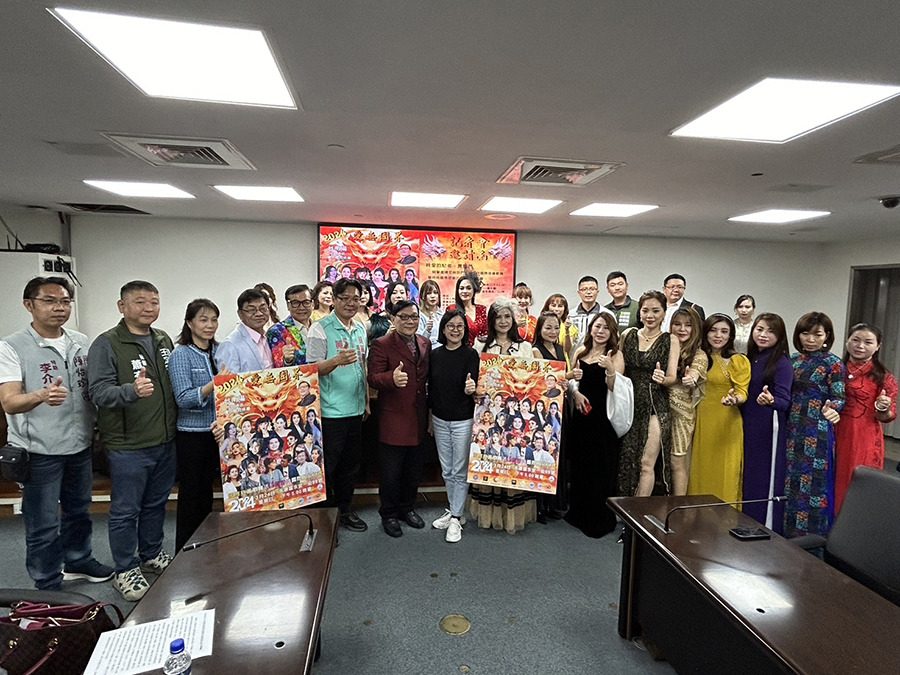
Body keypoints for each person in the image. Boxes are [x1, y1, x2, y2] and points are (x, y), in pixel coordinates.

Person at [0, 277, 113, 591]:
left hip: (79, 444)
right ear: (29, 305)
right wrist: (41, 396)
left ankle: (78, 560)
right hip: (39, 450)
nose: (59, 308)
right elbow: (9, 401)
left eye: (65, 301)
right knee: (43, 522)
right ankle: (47, 581)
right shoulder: (11, 346)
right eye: (49, 301)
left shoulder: (81, 341)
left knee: (79, 511)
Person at [87, 280, 177, 602]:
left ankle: (151, 553)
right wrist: (131, 391)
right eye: (140, 302)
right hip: (128, 445)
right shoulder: (107, 344)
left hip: (165, 439)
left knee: (156, 504)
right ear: (122, 306)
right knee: (126, 510)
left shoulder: (163, 339)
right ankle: (125, 569)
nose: (149, 308)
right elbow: (97, 392)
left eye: (154, 302)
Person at [306, 278, 370, 532]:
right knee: (327, 469)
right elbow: (310, 371)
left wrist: (366, 401)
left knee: (350, 467)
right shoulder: (320, 328)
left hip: (355, 409)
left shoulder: (360, 328)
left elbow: (363, 367)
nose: (351, 303)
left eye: (356, 299)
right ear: (334, 299)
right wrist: (335, 361)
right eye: (345, 298)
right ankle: (321, 520)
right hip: (330, 412)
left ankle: (345, 510)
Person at [168, 298, 231, 552]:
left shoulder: (219, 351)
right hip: (192, 435)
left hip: (218, 433)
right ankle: (184, 551)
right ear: (189, 323)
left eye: (214, 320)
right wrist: (214, 384)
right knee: (191, 496)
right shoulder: (181, 354)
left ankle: (204, 548)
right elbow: (183, 399)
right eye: (203, 320)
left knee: (208, 495)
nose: (210, 325)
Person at [469, 298, 535, 533]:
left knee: (513, 460)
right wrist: (475, 391)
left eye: (508, 316)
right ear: (491, 320)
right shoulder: (481, 346)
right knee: (492, 458)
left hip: (515, 415)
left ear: (514, 319)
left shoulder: (525, 347)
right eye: (499, 317)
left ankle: (512, 516)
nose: (504, 321)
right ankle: (489, 515)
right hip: (489, 413)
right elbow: (474, 377)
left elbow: (533, 381)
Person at [367, 299, 431, 537]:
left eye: (414, 317)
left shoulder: (424, 342)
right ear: (393, 319)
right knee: (391, 473)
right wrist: (391, 379)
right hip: (394, 418)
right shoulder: (381, 344)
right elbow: (373, 378)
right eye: (404, 317)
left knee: (413, 470)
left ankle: (407, 508)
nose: (410, 321)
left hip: (419, 416)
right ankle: (389, 514)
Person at [783, 312, 845, 537]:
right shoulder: (791, 360)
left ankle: (812, 542)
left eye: (817, 334)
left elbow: (839, 396)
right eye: (805, 333)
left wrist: (832, 409)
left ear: (827, 336)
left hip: (816, 431)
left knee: (814, 487)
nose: (810, 339)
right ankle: (786, 535)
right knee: (789, 482)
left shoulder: (833, 363)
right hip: (791, 428)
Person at [565, 312, 624, 538]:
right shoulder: (581, 351)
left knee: (601, 468)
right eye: (597, 326)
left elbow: (617, 389)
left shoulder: (615, 354)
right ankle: (578, 513)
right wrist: (576, 393)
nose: (600, 331)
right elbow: (571, 380)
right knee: (580, 465)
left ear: (612, 332)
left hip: (603, 419)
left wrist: (610, 369)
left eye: (606, 328)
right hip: (582, 416)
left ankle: (598, 518)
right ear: (590, 328)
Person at [618, 291, 680, 498]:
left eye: (655, 311)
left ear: (664, 313)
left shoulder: (670, 340)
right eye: (645, 311)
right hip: (628, 403)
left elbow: (672, 377)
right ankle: (624, 508)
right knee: (627, 459)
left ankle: (637, 515)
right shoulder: (628, 335)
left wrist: (663, 379)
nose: (650, 316)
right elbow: (619, 370)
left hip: (655, 404)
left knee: (646, 463)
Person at [428, 310, 480, 543]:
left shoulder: (471, 354)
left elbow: (476, 387)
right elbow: (431, 389)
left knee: (459, 471)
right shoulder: (435, 354)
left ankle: (457, 517)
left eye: (460, 326)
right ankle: (454, 510)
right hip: (439, 419)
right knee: (447, 470)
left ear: (465, 330)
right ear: (443, 328)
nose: (455, 330)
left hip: (463, 420)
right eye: (451, 326)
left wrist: (472, 388)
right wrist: (430, 418)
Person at [835, 323, 897, 513]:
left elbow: (888, 416)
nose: (860, 346)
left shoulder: (884, 377)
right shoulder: (835, 369)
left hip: (862, 438)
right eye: (856, 340)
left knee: (855, 482)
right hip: (832, 432)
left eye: (868, 342)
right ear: (847, 341)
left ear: (878, 346)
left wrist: (883, 408)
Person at [688, 314, 750, 502]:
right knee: (699, 471)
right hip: (701, 421)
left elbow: (742, 391)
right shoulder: (698, 356)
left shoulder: (737, 360)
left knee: (724, 474)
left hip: (726, 422)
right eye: (713, 330)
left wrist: (734, 399)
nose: (718, 336)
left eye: (724, 331)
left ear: (730, 335)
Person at [740, 313, 792, 533]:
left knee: (763, 479)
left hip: (767, 426)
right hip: (746, 423)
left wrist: (771, 401)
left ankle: (764, 528)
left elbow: (784, 401)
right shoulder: (750, 357)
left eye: (771, 331)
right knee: (747, 477)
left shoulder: (781, 362)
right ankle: (744, 524)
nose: (763, 335)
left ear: (780, 336)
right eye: (760, 329)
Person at [667, 306, 708, 497]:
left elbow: (695, 372)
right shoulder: (665, 347)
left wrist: (691, 378)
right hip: (659, 410)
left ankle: (679, 506)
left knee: (677, 461)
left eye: (688, 325)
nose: (682, 329)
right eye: (677, 324)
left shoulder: (698, 354)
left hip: (682, 416)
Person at [216, 289, 274, 373]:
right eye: (251, 310)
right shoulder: (230, 345)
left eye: (263, 308)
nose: (259, 314)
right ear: (240, 314)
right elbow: (229, 380)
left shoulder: (270, 337)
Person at [267, 284, 314, 367]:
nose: (301, 308)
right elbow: (279, 367)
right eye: (295, 303)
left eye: (306, 302)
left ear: (312, 304)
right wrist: (287, 361)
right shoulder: (277, 331)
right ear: (288, 306)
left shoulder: (320, 327)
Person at [446, 273, 488, 347]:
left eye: (468, 288)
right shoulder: (452, 309)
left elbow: (486, 333)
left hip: (480, 349)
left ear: (474, 290)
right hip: (459, 349)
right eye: (461, 288)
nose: (465, 291)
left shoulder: (481, 309)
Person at [540, 294, 578, 364]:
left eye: (560, 306)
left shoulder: (570, 327)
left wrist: (567, 330)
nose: (556, 309)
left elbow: (567, 350)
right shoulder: (539, 323)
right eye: (553, 305)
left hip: (562, 362)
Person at [417, 279, 444, 349]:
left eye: (435, 293)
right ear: (423, 296)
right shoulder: (419, 315)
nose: (433, 296)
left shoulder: (443, 314)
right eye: (429, 293)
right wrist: (427, 330)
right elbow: (418, 341)